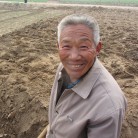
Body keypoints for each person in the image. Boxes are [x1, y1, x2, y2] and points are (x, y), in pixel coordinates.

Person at [46, 14, 127, 138]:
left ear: (97, 48)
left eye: (83, 47)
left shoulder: (107, 105)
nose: (74, 57)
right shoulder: (62, 68)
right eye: (66, 46)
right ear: (58, 46)